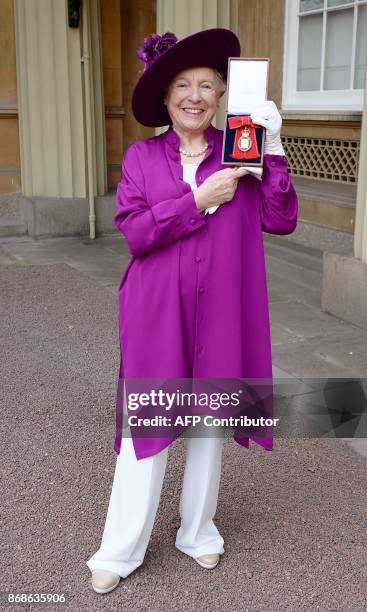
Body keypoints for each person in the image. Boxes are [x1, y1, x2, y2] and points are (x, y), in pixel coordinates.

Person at [86, 28, 298, 594]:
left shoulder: (242, 151)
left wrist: (274, 153)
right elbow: (134, 232)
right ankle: (120, 548)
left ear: (222, 95)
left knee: (207, 424)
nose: (195, 95)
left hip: (223, 307)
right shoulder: (140, 157)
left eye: (207, 85)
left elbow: (280, 219)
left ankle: (198, 532)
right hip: (156, 309)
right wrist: (197, 202)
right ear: (165, 96)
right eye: (183, 85)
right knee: (147, 425)